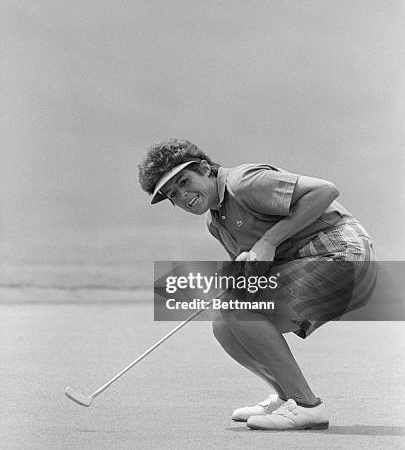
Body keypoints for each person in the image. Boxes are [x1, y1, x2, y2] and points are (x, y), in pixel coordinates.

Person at [138, 139, 377, 430]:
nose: (183, 195)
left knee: (236, 308)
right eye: (173, 194)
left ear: (204, 169)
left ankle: (306, 405)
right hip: (320, 264)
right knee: (224, 324)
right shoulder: (216, 223)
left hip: (343, 256)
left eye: (185, 182)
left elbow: (325, 190)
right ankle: (288, 398)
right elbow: (256, 273)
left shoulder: (243, 182)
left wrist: (269, 241)